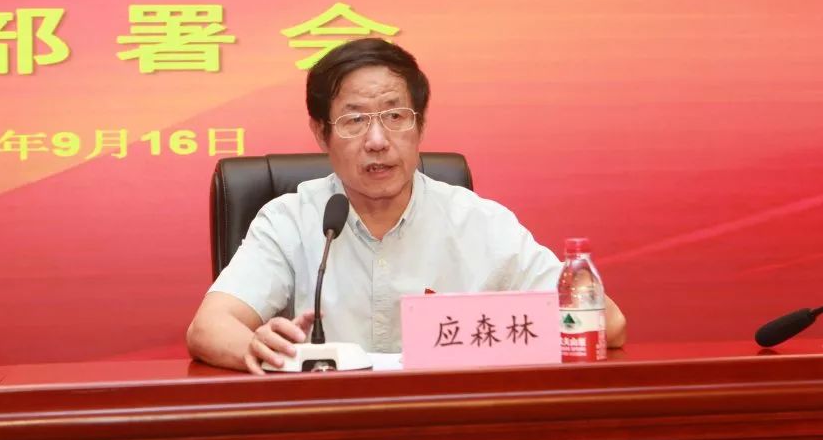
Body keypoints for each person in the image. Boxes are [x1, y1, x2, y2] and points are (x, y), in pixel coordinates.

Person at [187, 38, 627, 373]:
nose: (378, 141)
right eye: (354, 120)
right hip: (324, 430)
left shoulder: (478, 222)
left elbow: (607, 323)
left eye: (395, 116)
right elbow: (209, 327)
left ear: (420, 126)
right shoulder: (290, 220)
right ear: (321, 133)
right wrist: (256, 348)